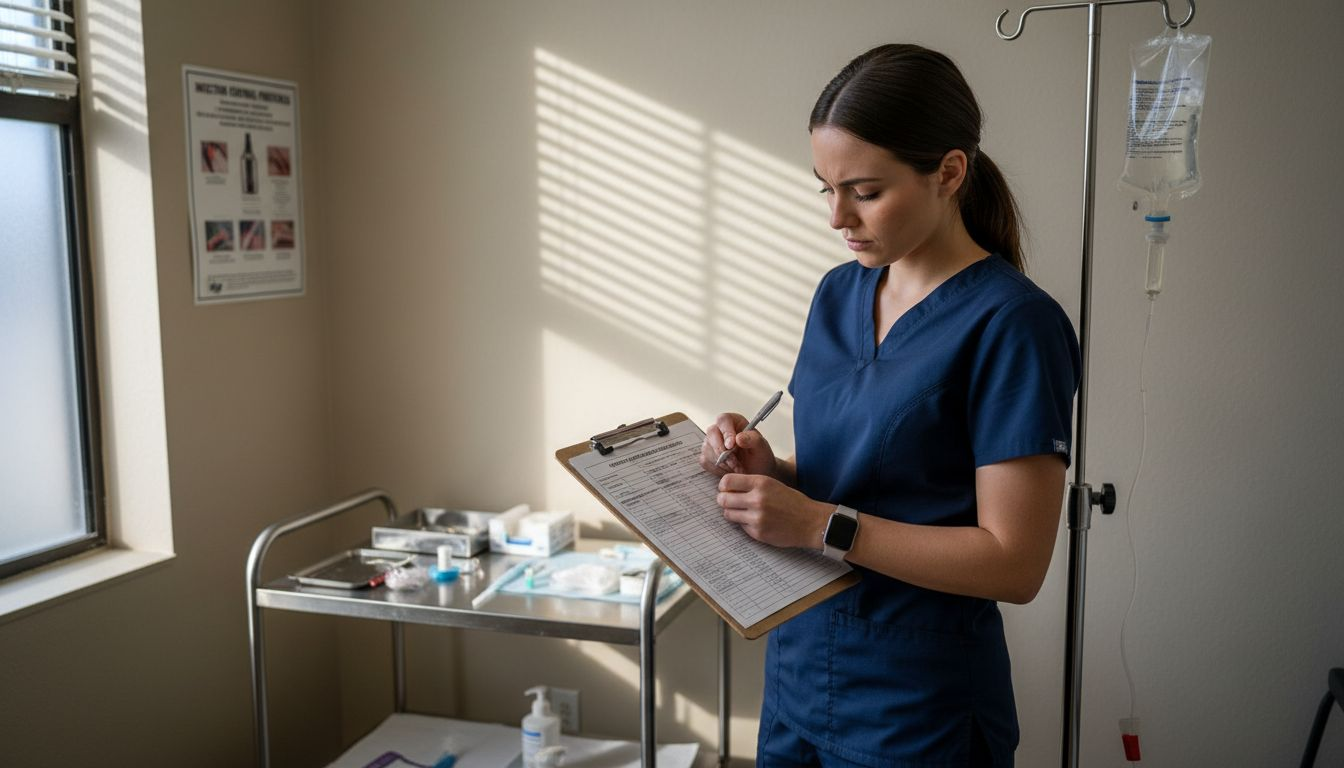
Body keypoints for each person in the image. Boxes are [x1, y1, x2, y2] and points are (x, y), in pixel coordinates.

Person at [699, 44, 1081, 767]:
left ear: (948, 173)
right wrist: (771, 473)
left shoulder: (1013, 326)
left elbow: (1014, 563)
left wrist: (816, 523)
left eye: (865, 192)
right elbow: (851, 479)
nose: (838, 217)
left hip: (916, 706)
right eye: (826, 189)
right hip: (798, 670)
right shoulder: (838, 295)